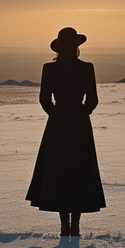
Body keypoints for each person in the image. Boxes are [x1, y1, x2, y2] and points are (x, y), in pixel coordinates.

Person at [26, 27, 106, 236]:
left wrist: (57, 115)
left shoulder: (49, 69)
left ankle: (64, 224)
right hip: (80, 123)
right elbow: (93, 100)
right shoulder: (87, 68)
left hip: (57, 124)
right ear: (77, 47)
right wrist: (81, 114)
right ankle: (76, 225)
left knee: (58, 170)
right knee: (80, 170)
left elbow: (44, 100)